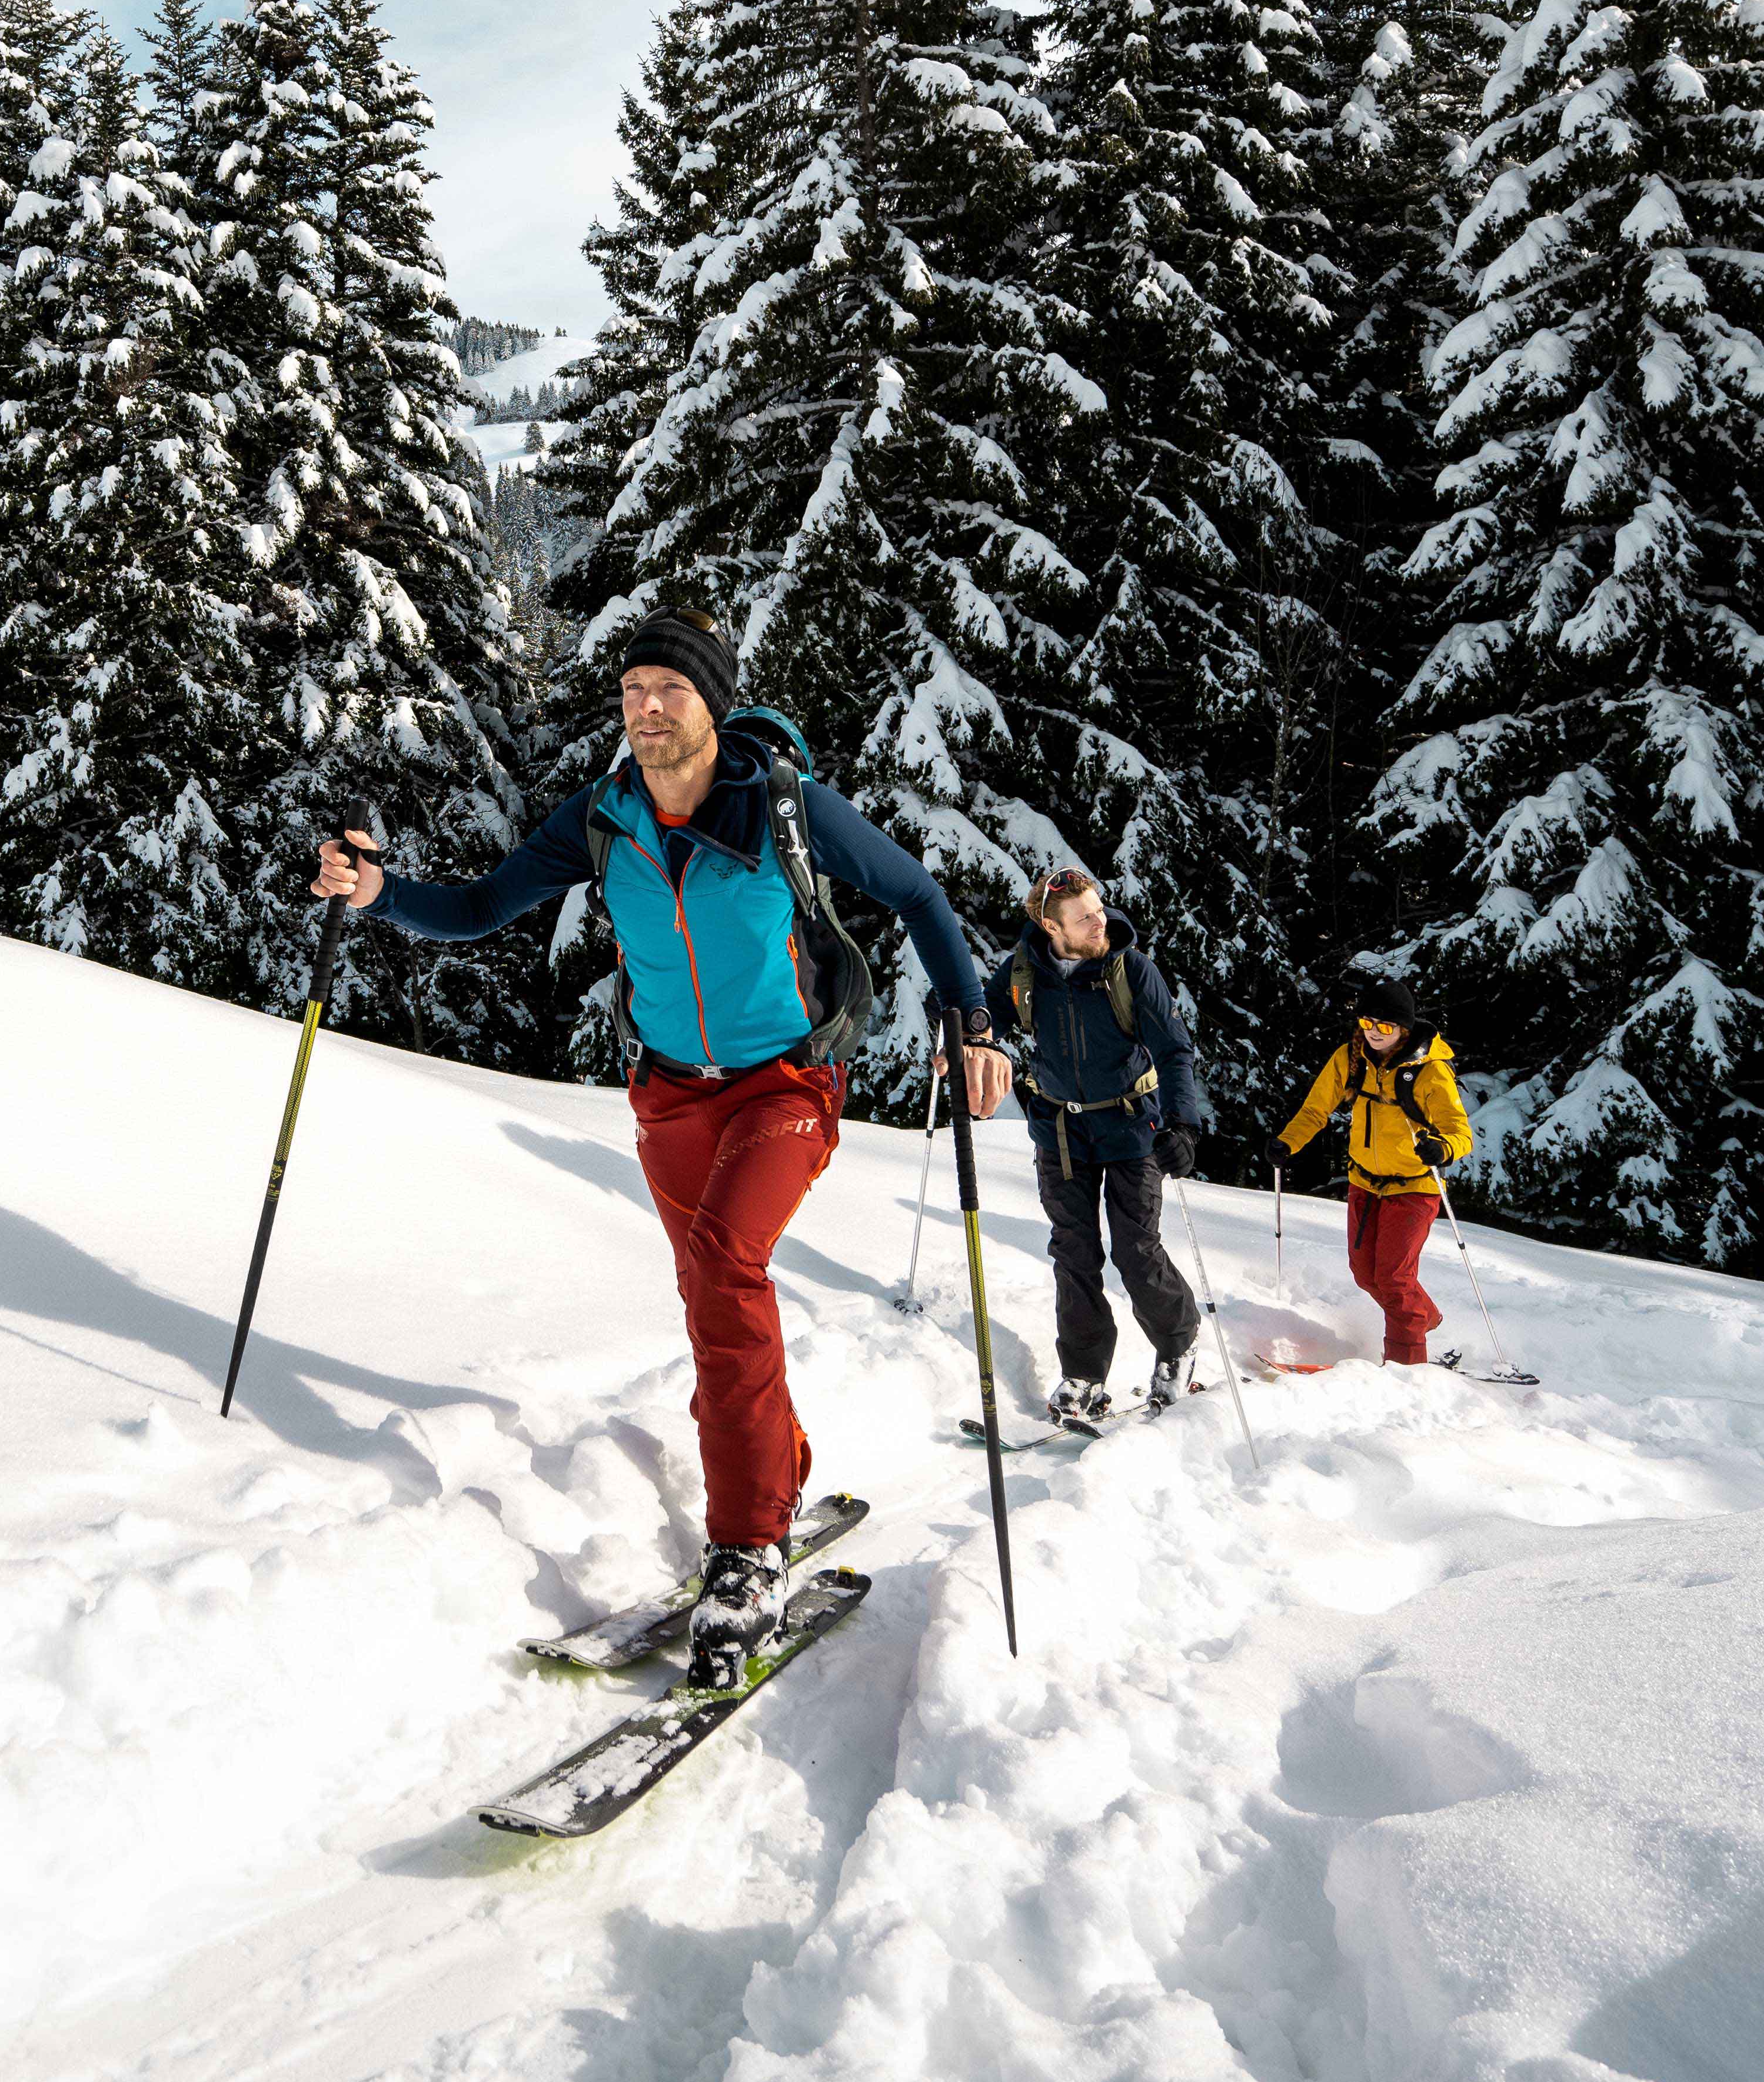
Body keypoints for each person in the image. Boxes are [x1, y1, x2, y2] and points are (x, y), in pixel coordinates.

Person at [314, 609, 1008, 1683]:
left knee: (730, 1266)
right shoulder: (605, 814)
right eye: (632, 688)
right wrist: (379, 892)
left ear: (712, 703)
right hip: (669, 1098)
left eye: (669, 689)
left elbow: (916, 893)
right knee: (714, 1296)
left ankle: (748, 1543)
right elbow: (483, 906)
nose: (645, 706)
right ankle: (773, 1469)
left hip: (784, 1083)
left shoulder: (784, 805)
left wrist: (971, 1023)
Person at [997, 864, 1217, 1430]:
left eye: (1099, 910)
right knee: (1074, 1253)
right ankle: (1086, 1375)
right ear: (1051, 926)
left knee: (1135, 1252)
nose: (1100, 923)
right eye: (1084, 918)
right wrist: (967, 1040)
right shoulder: (1025, 971)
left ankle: (1177, 1346)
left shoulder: (1130, 968)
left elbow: (1174, 1051)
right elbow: (982, 1015)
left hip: (1130, 1129)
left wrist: (1182, 1126)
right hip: (1061, 1133)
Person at [1275, 1011, 1472, 1365]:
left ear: (1404, 1029)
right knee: (1366, 1274)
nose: (1375, 1034)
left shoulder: (1430, 1069)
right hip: (1364, 1184)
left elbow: (1460, 1131)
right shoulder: (1350, 1059)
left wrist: (1443, 1147)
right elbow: (1315, 1110)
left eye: (1385, 1027)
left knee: (1394, 1279)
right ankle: (1423, 1318)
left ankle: (1405, 1368)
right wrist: (1287, 1143)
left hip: (1413, 1188)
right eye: (1368, 1024)